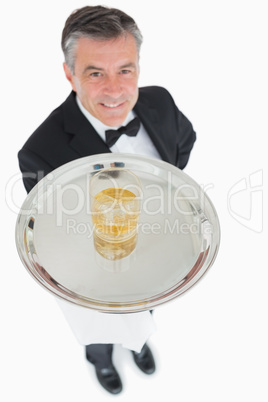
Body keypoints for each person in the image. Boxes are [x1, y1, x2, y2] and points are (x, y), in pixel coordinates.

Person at [18, 5, 196, 395]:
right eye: (95, 73)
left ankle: (139, 342)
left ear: (138, 67)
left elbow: (184, 142)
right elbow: (54, 233)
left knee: (144, 308)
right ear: (70, 74)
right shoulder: (39, 152)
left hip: (149, 250)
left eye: (125, 70)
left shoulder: (161, 103)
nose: (115, 90)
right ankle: (101, 361)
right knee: (99, 329)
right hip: (93, 269)